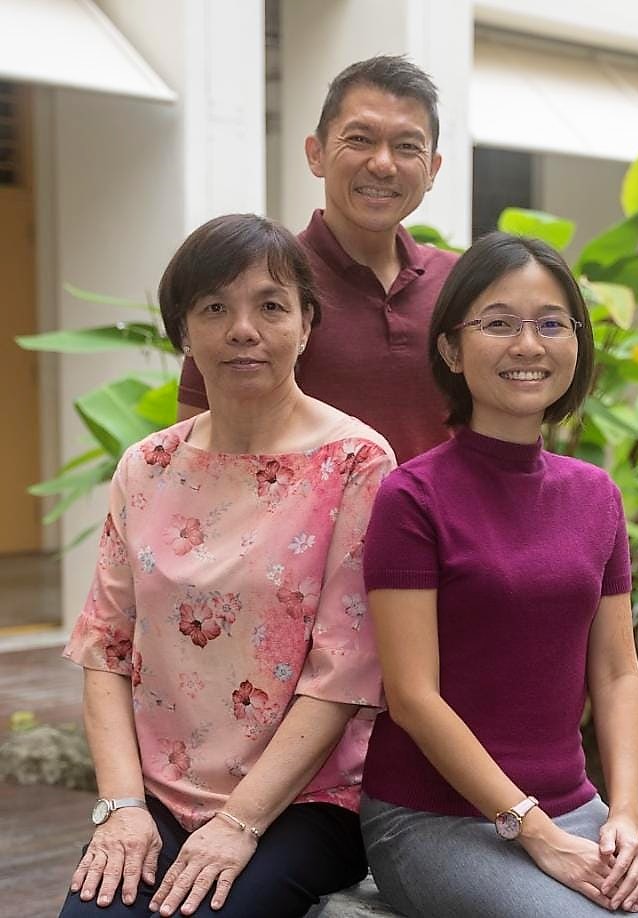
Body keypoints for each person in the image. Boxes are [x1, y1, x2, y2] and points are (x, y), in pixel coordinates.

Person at [58, 214, 395, 918]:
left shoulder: (355, 462)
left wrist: (239, 825)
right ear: (183, 331)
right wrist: (122, 808)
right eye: (214, 308)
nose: (243, 329)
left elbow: (344, 673)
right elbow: (106, 650)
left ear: (305, 324)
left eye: (270, 306)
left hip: (303, 800)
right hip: (156, 790)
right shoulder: (146, 466)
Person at [358, 233, 638, 917]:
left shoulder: (594, 494)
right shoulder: (412, 497)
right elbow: (412, 696)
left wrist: (623, 817)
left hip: (576, 809)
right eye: (499, 323)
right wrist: (531, 831)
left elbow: (616, 672)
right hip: (433, 820)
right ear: (451, 348)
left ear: (576, 341)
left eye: (549, 323)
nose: (528, 345)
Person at [178, 55, 458, 464]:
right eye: (360, 139)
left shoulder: (462, 286)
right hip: (301, 528)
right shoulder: (259, 286)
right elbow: (200, 455)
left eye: (406, 147)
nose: (382, 164)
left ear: (432, 169)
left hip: (438, 530)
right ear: (316, 153)